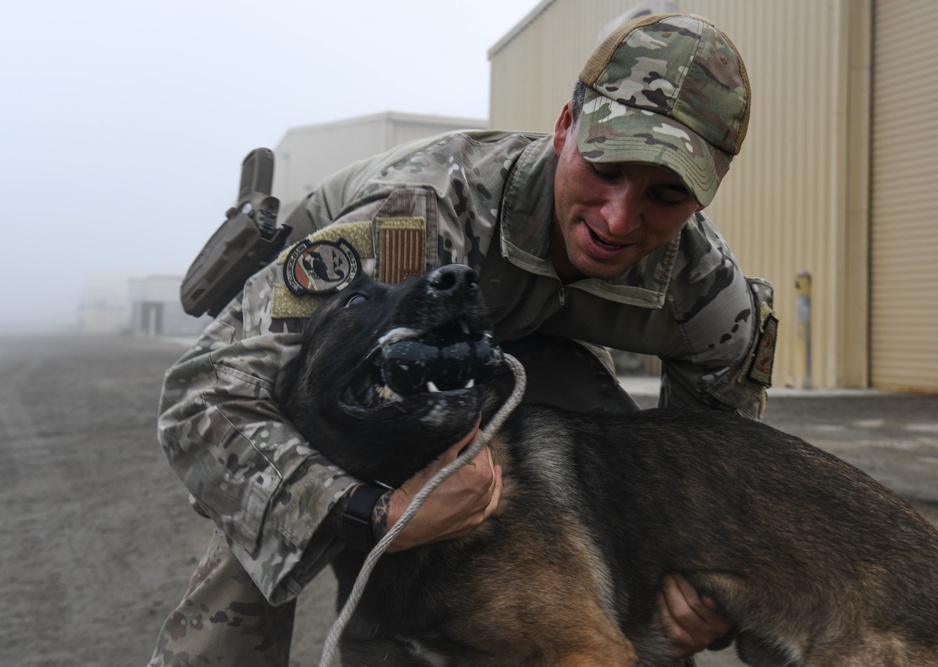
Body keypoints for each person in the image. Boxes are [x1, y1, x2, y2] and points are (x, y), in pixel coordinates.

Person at [148, 13, 775, 667]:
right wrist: (373, 512)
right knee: (267, 509)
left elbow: (722, 474)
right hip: (349, 347)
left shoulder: (708, 296)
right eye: (605, 167)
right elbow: (203, 393)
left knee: (620, 482)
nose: (620, 217)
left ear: (705, 197)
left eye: (666, 195)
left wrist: (696, 585)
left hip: (520, 355)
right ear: (565, 129)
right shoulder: (411, 225)